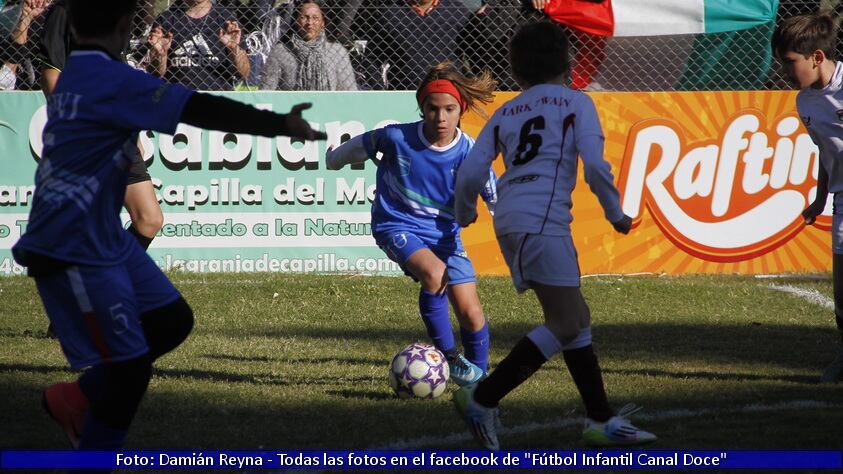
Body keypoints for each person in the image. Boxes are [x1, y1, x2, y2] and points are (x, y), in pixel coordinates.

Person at [13, 0, 325, 450]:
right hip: (72, 243)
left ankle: (75, 397)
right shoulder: (112, 79)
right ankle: (94, 456)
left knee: (171, 321)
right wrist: (280, 123)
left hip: (98, 234)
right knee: (132, 366)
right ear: (124, 28)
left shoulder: (80, 72)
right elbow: (202, 109)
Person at [453, 21, 656, 449]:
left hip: (512, 219)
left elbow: (472, 170)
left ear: (517, 71)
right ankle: (482, 397)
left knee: (575, 319)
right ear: (569, 62)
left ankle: (600, 417)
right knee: (566, 320)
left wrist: (466, 209)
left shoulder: (507, 110)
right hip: (542, 223)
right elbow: (597, 168)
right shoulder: (576, 103)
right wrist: (616, 214)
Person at [326, 61, 497, 386]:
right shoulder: (396, 137)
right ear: (422, 108)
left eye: (449, 109)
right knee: (434, 275)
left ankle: (479, 382)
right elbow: (354, 148)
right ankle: (448, 359)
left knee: (471, 313)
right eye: (433, 109)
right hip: (396, 225)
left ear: (461, 109)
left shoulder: (470, 152)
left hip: (446, 238)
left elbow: (495, 197)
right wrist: (334, 160)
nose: (441, 118)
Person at [773, 13, 843, 383]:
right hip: (841, 198)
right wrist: (819, 199)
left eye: (789, 62)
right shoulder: (805, 103)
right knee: (841, 291)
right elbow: (825, 151)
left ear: (816, 57)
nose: (784, 70)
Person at [146, 0, 249, 91]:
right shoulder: (166, 19)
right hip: (177, 96)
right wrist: (161, 55)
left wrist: (233, 49)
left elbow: (244, 73)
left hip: (217, 96)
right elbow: (155, 74)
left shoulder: (226, 18)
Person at [260, 0, 357, 91]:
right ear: (296, 21)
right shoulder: (280, 52)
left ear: (323, 22)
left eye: (315, 18)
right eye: (304, 17)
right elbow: (266, 92)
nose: (310, 23)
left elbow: (349, 94)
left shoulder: (338, 52)